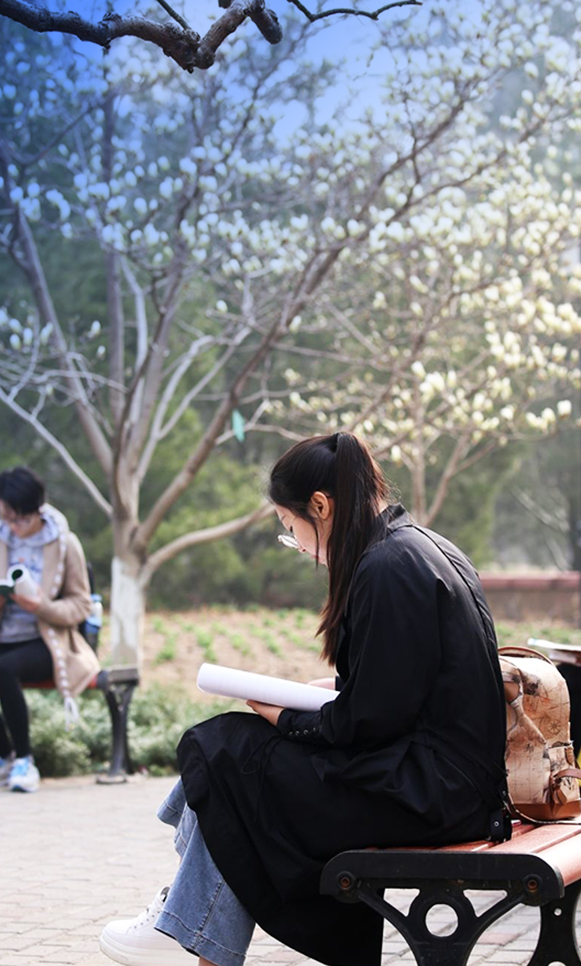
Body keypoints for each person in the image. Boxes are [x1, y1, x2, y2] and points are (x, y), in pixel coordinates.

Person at [100, 432, 508, 966]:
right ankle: (183, 914)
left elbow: (367, 723)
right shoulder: (417, 548)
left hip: (432, 794)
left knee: (225, 750)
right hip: (443, 783)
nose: (297, 545)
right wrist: (324, 694)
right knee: (233, 758)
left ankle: (182, 920)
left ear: (320, 506)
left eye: (290, 527)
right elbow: (403, 690)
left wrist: (282, 715)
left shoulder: (386, 567)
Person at [0, 466, 99, 793]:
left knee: (3, 668)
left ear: (38, 510)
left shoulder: (64, 543)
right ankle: (4, 756)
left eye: (20, 519)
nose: (13, 526)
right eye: (6, 517)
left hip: (47, 641)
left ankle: (24, 761)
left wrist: (41, 606)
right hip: (5, 635)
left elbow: (81, 605)